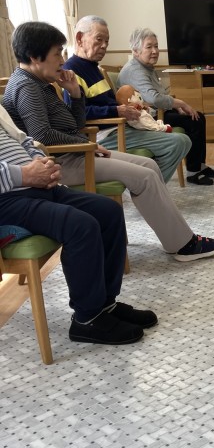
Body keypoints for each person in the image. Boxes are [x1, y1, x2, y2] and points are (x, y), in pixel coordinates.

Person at [3, 21, 214, 263]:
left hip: (78, 152)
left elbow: (75, 124)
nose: (61, 60)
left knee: (149, 166)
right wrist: (88, 145)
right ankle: (184, 245)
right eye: (57, 53)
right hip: (63, 161)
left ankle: (177, 239)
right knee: (145, 177)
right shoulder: (26, 87)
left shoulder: (41, 84)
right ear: (35, 57)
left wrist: (75, 93)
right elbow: (42, 136)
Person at [0, 103, 156, 346]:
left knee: (109, 212)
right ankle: (87, 318)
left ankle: (105, 304)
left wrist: (43, 163)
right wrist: (25, 174)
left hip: (39, 185)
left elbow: (25, 140)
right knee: (80, 225)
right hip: (7, 199)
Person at [62, 15, 189, 184]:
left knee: (179, 142)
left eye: (107, 41)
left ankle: (147, 187)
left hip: (120, 127)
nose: (104, 46)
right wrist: (117, 110)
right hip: (103, 135)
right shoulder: (71, 71)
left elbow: (108, 103)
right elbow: (77, 113)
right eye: (99, 39)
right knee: (178, 142)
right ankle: (147, 188)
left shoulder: (93, 68)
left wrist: (133, 107)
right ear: (79, 38)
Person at [117, 27, 214, 185]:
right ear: (136, 51)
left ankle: (199, 166)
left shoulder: (145, 67)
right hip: (144, 120)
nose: (155, 51)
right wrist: (180, 103)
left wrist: (174, 106)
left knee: (197, 117)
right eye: (149, 47)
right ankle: (194, 172)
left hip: (155, 113)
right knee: (194, 121)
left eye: (156, 46)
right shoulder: (135, 70)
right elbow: (153, 98)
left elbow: (160, 94)